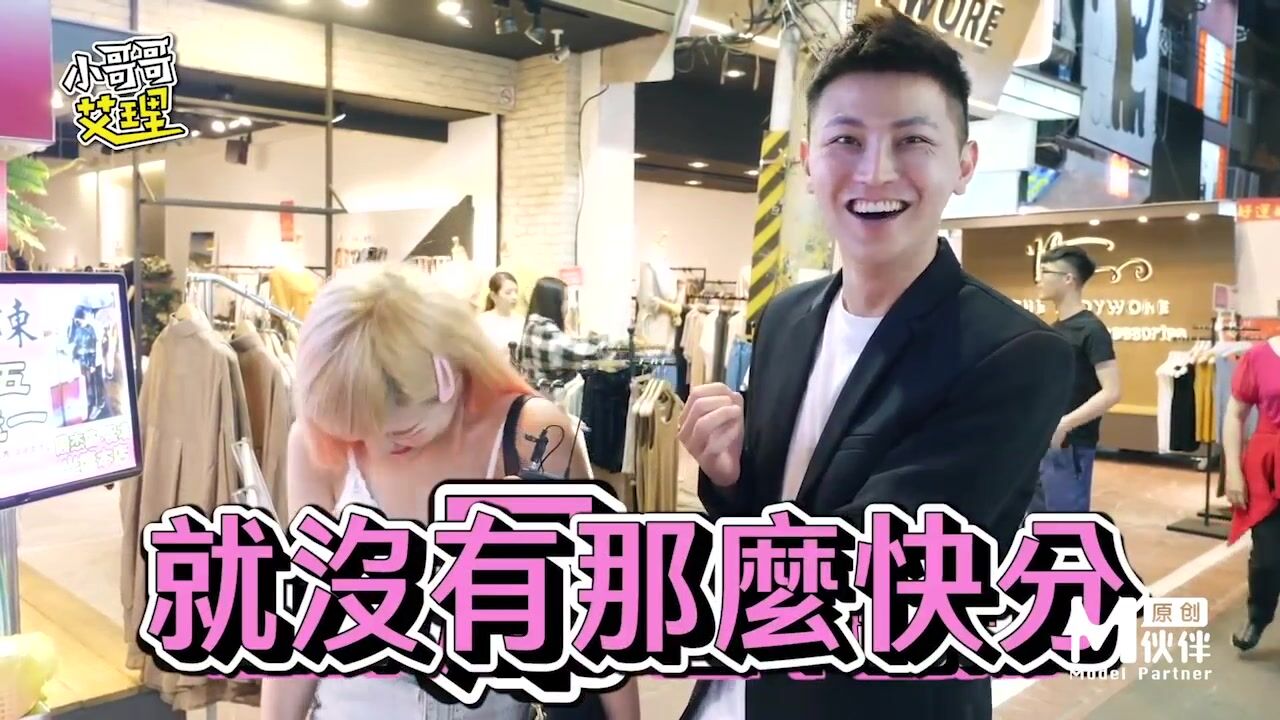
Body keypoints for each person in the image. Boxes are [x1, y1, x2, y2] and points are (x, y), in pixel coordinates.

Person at [677, 11, 1073, 720]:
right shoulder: (788, 319)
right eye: (846, 140)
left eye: (913, 140)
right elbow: (767, 512)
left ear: (964, 165)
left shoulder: (1013, 355)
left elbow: (869, 574)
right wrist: (727, 475)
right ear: (808, 161)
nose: (875, 171)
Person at [262, 263, 639, 720]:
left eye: (401, 432)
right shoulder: (318, 447)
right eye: (356, 431)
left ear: (446, 373)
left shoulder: (533, 439)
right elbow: (304, 615)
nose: (376, 446)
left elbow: (602, 609)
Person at [1027, 245, 1121, 513]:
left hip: (1071, 446)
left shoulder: (1092, 330)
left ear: (1068, 279)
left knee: (1062, 525)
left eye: (1045, 272)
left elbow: (1112, 392)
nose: (1038, 279)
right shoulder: (1054, 329)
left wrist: (1064, 424)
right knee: (1037, 522)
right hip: (1043, 442)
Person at [1223, 333, 1280, 651]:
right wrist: (1233, 469)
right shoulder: (1258, 357)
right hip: (1268, 467)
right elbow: (1235, 414)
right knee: (1267, 559)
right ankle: (1258, 616)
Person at [519, 276, 603, 386]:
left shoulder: (533, 324)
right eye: (565, 299)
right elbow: (581, 352)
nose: (567, 305)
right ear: (553, 302)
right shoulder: (544, 330)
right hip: (550, 393)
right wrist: (604, 345)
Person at [479, 271, 523, 355]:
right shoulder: (482, 321)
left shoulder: (521, 320)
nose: (514, 297)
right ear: (493, 296)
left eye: (516, 292)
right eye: (508, 293)